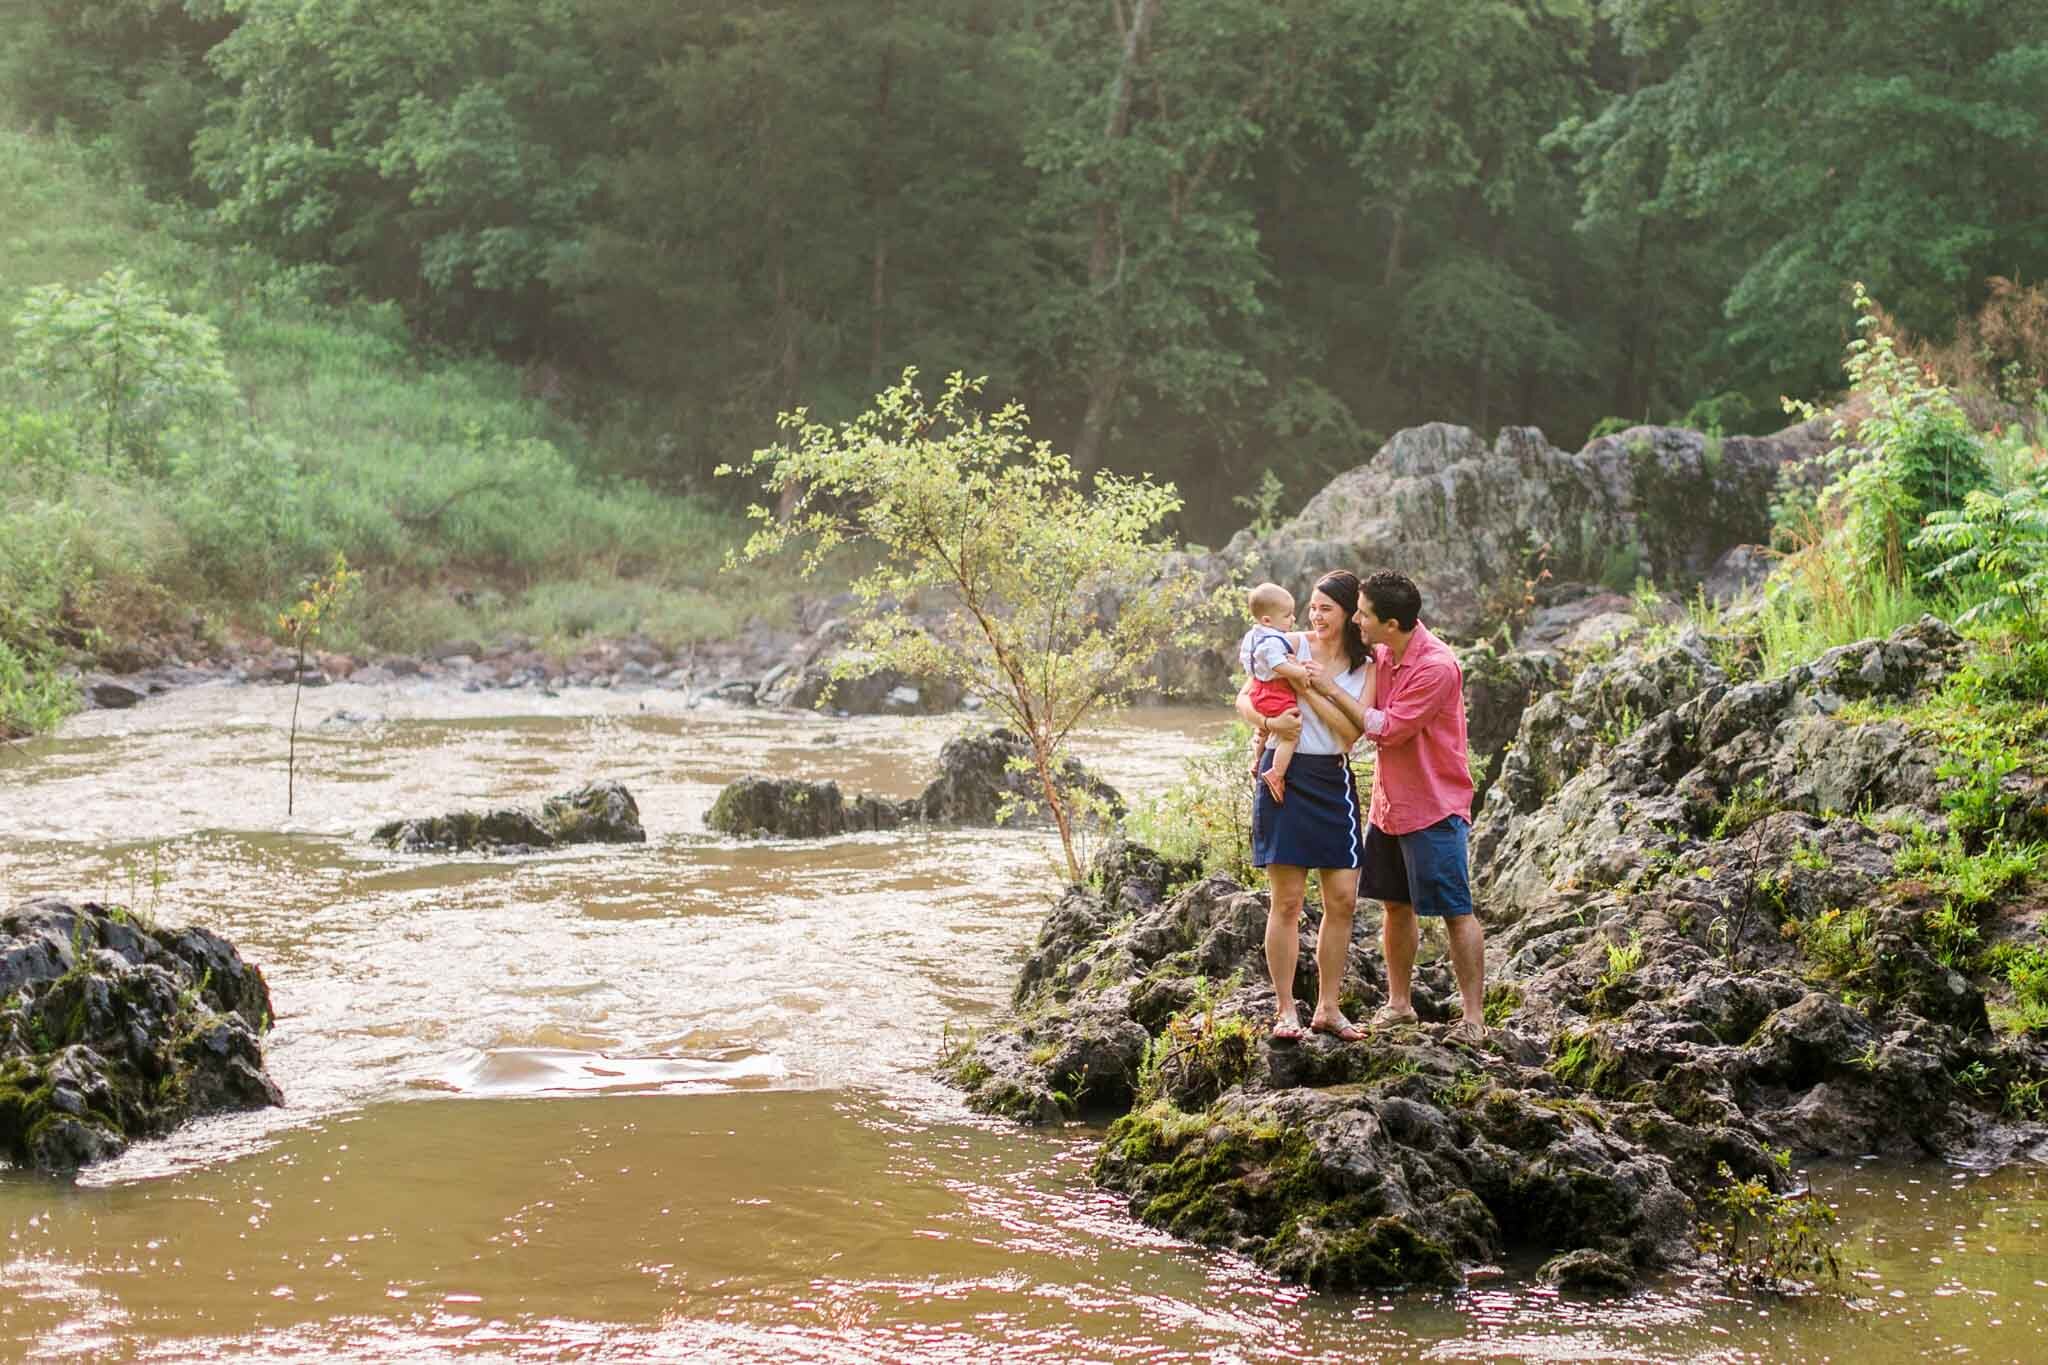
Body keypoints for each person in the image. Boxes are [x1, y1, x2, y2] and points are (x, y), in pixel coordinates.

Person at [1317, 570, 1487, 1043]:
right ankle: (1399, 1004)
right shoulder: (1386, 650)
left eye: (1365, 615)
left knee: (1456, 910)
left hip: (1434, 806)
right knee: (1396, 906)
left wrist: (1332, 692)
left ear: (1391, 622)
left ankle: (1473, 1018)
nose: (1357, 621)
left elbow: (1388, 729)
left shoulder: (1436, 666)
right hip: (1389, 805)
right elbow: (1324, 630)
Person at [1235, 570, 1377, 1042]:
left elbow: (1350, 733)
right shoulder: (1287, 643)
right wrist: (1270, 719)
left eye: (1326, 609)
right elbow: (1244, 698)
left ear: (1350, 616)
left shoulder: (1367, 665)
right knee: (1288, 902)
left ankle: (1328, 1009)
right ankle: (1285, 1010)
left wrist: (1313, 690)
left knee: (1342, 899)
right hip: (1285, 777)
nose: (1315, 617)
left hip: (1331, 779)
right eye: (1311, 607)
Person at [1237, 582, 1312, 805]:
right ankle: (1276, 774)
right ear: (1267, 620)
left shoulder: (1253, 635)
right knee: (1291, 733)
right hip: (1274, 691)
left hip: (1257, 689)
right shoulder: (1271, 641)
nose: (1293, 620)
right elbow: (1278, 665)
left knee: (1263, 730)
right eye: (1287, 615)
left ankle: (1257, 760)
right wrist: (1299, 671)